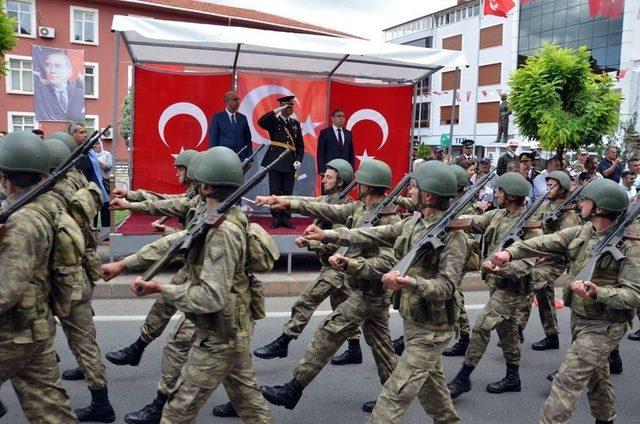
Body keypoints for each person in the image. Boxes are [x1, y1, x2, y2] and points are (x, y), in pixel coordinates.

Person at [303, 161, 464, 423]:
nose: (410, 192)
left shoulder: (453, 238)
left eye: (415, 187)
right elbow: (371, 234)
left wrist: (409, 282)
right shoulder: (415, 225)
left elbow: (446, 287)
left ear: (430, 195)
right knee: (437, 401)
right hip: (415, 323)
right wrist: (327, 235)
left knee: (391, 399)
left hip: (432, 330)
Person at [124, 147, 273, 423]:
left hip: (220, 329)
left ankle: (159, 400)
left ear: (203, 184)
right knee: (250, 404)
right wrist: (125, 264)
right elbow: (179, 237)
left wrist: (160, 289)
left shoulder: (223, 229)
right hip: (232, 325)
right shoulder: (217, 216)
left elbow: (211, 296)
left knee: (177, 412)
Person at [490, 178, 640, 424]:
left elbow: (634, 295)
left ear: (601, 207)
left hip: (605, 326)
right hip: (581, 319)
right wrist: (510, 252)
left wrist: (597, 292)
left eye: (587, 200)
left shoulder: (630, 246)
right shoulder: (585, 231)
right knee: (597, 381)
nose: (581, 203)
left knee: (566, 382)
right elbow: (545, 242)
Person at [259, 159, 399, 413]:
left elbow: (387, 261)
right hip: (363, 289)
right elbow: (324, 208)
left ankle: (293, 389)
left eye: (362, 180)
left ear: (368, 185)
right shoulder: (359, 208)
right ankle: (395, 396)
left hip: (370, 292)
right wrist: (287, 202)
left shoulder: (387, 217)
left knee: (329, 332)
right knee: (381, 346)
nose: (359, 184)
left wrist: (350, 264)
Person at [0, 131, 79, 423]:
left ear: (4, 175)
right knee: (53, 414)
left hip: (10, 334)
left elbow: (5, 291)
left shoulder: (21, 221)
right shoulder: (38, 210)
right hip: (35, 328)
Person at [447, 173, 543, 400]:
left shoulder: (531, 228)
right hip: (496, 284)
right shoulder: (498, 215)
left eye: (499, 191)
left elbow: (527, 264)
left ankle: (463, 377)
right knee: (507, 331)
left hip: (513, 289)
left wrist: (500, 269)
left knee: (482, 326)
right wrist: (449, 218)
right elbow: (473, 222)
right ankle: (513, 377)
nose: (496, 194)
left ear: (510, 195)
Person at [42, 138, 116, 422]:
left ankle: (99, 405)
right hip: (81, 268)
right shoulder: (77, 180)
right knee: (84, 337)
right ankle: (96, 389)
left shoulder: (50, 195)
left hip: (60, 277)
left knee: (40, 339)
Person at [520, 171, 582, 352]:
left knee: (531, 281)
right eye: (547, 185)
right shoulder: (545, 205)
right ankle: (552, 336)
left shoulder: (569, 213)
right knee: (544, 294)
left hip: (556, 258)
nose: (548, 189)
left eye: (552, 186)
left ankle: (517, 329)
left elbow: (564, 242)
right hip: (541, 254)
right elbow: (532, 221)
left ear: (562, 188)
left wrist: (544, 253)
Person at [258, 95, 305, 229]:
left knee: (287, 192)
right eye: (287, 106)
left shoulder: (295, 124)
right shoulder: (274, 121)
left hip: (290, 162)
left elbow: (300, 146)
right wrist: (276, 110)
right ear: (282, 107)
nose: (290, 109)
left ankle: (286, 218)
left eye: (291, 106)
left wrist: (299, 160)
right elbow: (261, 122)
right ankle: (276, 217)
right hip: (275, 161)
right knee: (275, 190)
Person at [34, 50, 85, 122]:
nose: (52, 70)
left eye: (58, 66)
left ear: (69, 72)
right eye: (48, 65)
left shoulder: (80, 94)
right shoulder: (39, 93)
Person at [68, 122, 110, 205]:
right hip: (74, 195)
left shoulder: (90, 153)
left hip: (90, 196)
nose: (85, 135)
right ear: (72, 134)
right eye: (81, 132)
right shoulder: (68, 152)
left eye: (85, 132)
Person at [208, 90, 253, 161]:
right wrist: (214, 158)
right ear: (227, 101)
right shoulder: (218, 117)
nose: (238, 102)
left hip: (240, 158)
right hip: (223, 158)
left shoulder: (243, 118)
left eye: (238, 99)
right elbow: (213, 139)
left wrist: (250, 157)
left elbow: (247, 139)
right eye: (235, 99)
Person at [317, 109, 355, 174]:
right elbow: (320, 153)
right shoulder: (325, 132)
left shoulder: (348, 133)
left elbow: (351, 153)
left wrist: (352, 170)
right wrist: (321, 170)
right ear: (332, 118)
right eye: (339, 116)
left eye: (343, 116)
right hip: (330, 169)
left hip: (345, 170)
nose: (341, 118)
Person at [93, 140, 113, 229]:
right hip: (93, 185)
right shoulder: (88, 155)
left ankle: (106, 232)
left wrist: (96, 159)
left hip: (104, 184)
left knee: (106, 208)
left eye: (97, 144)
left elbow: (107, 168)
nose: (96, 146)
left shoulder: (107, 155)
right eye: (94, 144)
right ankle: (93, 230)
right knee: (93, 209)